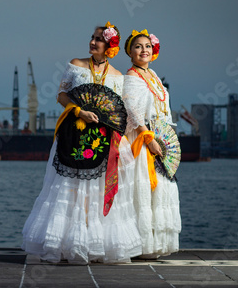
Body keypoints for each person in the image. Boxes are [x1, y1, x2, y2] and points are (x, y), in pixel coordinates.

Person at [22, 22, 142, 264]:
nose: (92, 42)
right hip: (73, 134)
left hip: (102, 140)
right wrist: (79, 112)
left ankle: (92, 245)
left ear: (109, 47)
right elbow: (61, 95)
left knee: (95, 193)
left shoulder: (118, 77)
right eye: (92, 37)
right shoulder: (76, 65)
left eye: (99, 39)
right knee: (68, 188)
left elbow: (119, 110)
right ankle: (63, 245)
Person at [122, 29, 181, 258]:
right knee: (142, 188)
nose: (143, 50)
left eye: (147, 46)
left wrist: (162, 138)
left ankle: (155, 245)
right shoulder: (131, 77)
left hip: (159, 138)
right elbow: (132, 111)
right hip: (142, 139)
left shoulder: (154, 75)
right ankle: (139, 245)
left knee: (161, 190)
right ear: (130, 52)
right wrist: (149, 138)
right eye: (138, 46)